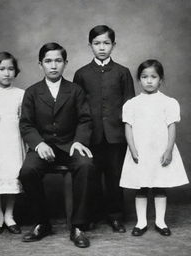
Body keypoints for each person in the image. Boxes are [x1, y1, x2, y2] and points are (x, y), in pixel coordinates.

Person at [19, 42, 94, 248]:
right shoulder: (32, 92)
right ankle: (42, 223)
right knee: (27, 171)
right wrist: (38, 144)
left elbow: (85, 120)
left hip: (69, 145)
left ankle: (78, 226)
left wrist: (78, 141)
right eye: (48, 61)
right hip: (43, 146)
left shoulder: (75, 90)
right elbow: (26, 123)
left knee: (86, 165)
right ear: (40, 64)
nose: (53, 66)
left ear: (65, 63)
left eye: (58, 61)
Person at [73, 25, 135, 232]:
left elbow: (129, 106)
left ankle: (116, 216)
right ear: (90, 45)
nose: (102, 48)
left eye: (106, 43)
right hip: (91, 136)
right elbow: (77, 107)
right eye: (97, 43)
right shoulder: (81, 74)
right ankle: (92, 215)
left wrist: (129, 135)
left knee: (115, 177)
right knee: (91, 177)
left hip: (116, 135)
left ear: (113, 45)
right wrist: (81, 136)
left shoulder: (122, 73)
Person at [120, 59, 189, 236]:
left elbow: (171, 127)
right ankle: (141, 222)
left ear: (161, 79)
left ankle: (160, 221)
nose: (149, 81)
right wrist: (133, 148)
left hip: (159, 151)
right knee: (141, 186)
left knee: (159, 185)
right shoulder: (132, 104)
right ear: (139, 79)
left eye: (153, 77)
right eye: (144, 77)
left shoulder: (168, 102)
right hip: (140, 151)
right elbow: (128, 127)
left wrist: (168, 150)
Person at [0, 52, 26, 235]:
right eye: (1, 69)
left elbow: (25, 120)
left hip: (14, 140)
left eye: (10, 69)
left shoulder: (21, 94)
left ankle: (9, 215)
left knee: (12, 174)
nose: (6, 73)